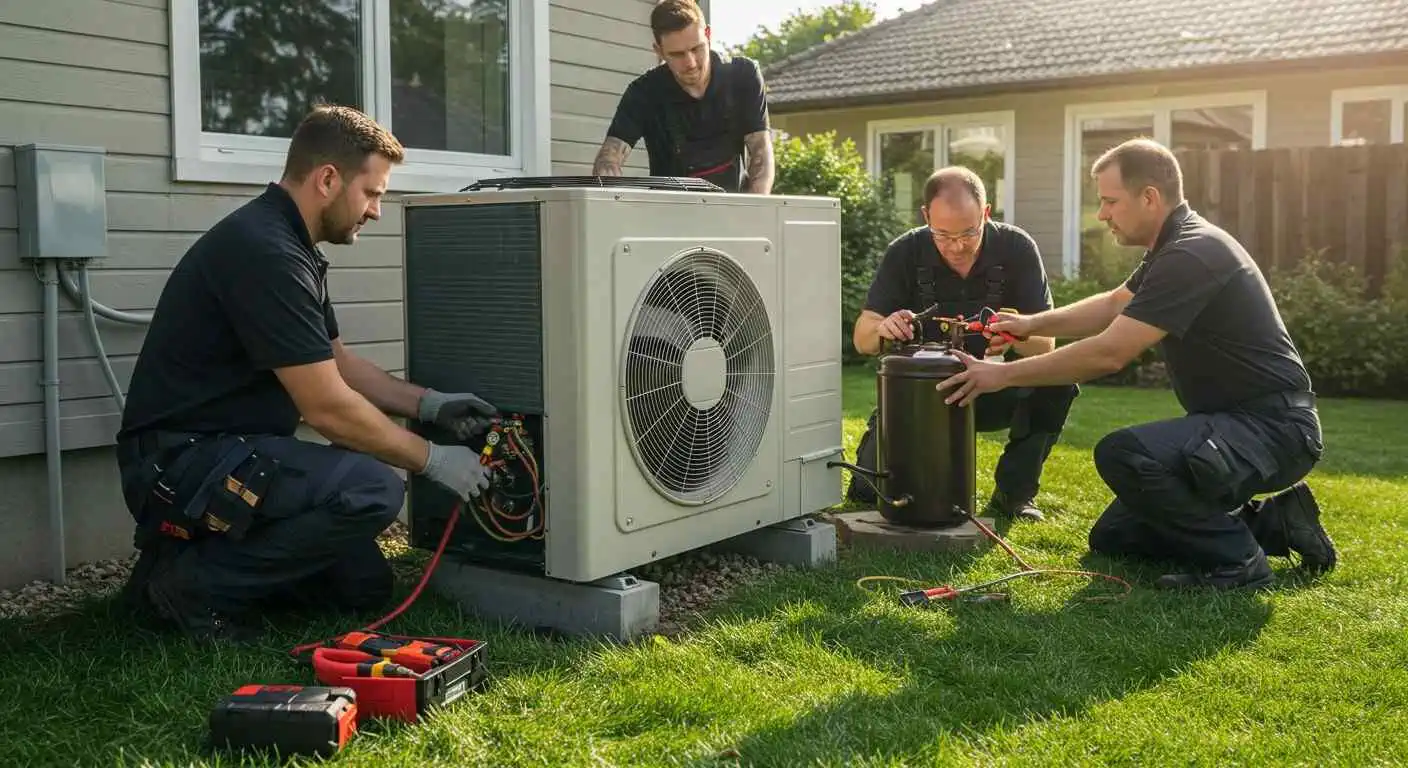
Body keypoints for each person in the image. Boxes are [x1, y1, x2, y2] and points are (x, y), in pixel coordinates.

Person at [114, 105, 498, 643]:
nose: (377, 211)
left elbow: (336, 363)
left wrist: (428, 404)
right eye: (373, 193)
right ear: (327, 179)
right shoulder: (265, 252)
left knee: (362, 587)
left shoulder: (289, 245)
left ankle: (175, 562)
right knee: (370, 490)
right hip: (181, 462)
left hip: (229, 456)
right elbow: (327, 409)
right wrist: (433, 461)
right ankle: (192, 589)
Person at [936, 138, 1337, 590]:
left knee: (1123, 452)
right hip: (1236, 425)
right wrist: (1029, 323)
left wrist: (1001, 374)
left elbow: (1111, 351)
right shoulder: (1172, 249)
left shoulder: (1192, 253)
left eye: (1109, 201)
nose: (1102, 214)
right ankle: (1279, 522)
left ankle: (1240, 563)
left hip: (1273, 429)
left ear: (1149, 197)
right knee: (1115, 535)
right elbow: (1112, 304)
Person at [849, 166, 1078, 523]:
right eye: (942, 235)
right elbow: (862, 338)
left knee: (1058, 381)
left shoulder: (1017, 248)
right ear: (926, 216)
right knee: (866, 494)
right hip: (922, 395)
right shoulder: (905, 252)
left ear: (986, 213)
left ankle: (1014, 492)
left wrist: (1017, 336)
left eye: (969, 233)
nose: (957, 247)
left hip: (994, 388)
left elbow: (1045, 347)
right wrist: (885, 327)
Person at [591, 0, 773, 194]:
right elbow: (609, 156)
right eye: (677, 54)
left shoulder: (742, 76)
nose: (691, 63)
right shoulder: (644, 92)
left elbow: (761, 150)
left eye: (696, 49)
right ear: (659, 51)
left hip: (734, 209)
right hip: (670, 214)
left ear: (708, 35)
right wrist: (608, 185)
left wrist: (754, 212)